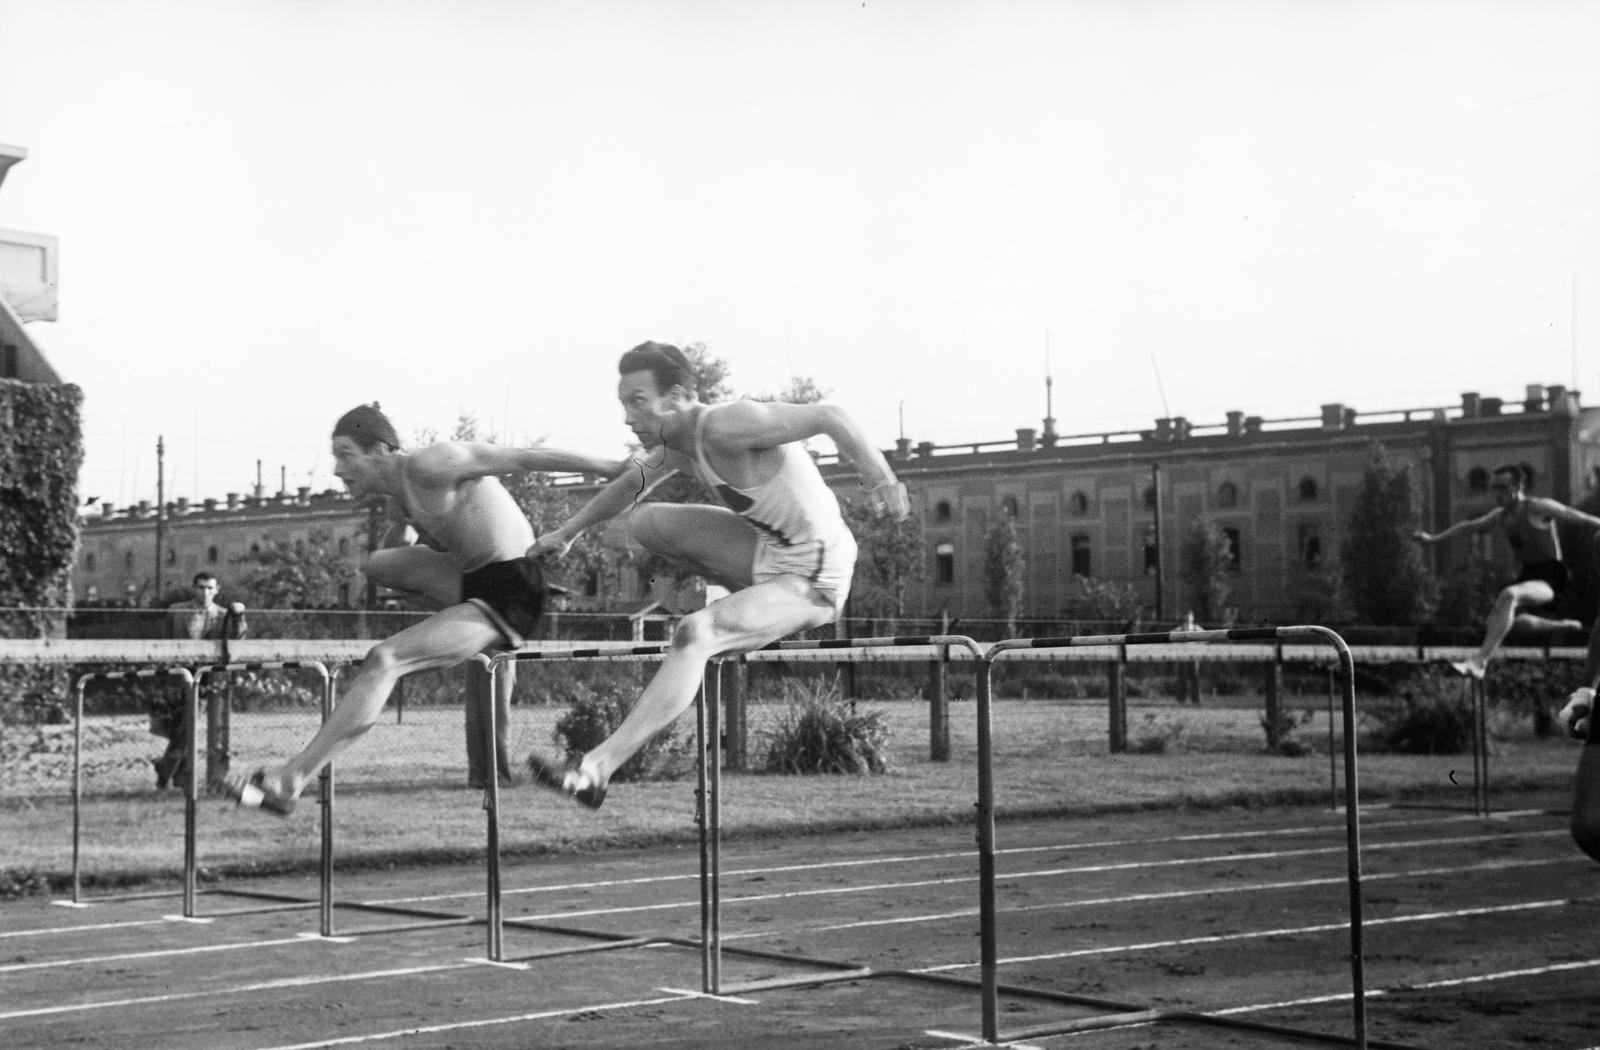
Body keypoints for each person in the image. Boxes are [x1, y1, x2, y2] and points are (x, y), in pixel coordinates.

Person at [524, 341, 909, 809]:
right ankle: (738, 613)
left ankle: (595, 770)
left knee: (695, 633)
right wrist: (568, 532)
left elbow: (832, 416)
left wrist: (882, 481)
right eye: (623, 403)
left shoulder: (729, 424)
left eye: (638, 402)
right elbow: (629, 485)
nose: (628, 417)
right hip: (769, 555)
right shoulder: (677, 447)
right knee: (644, 522)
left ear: (680, 394)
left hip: (816, 574)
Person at [223, 403, 625, 817]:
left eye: (345, 455)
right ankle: (450, 622)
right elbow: (400, 545)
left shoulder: (432, 464)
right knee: (378, 564)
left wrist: (610, 467)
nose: (338, 470)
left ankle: (290, 781)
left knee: (383, 660)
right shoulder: (399, 497)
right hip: (473, 578)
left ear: (380, 451)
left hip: (513, 588)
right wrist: (415, 537)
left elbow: (524, 458)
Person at [1413, 464, 1600, 679]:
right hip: (1529, 575)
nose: (1496, 493)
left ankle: (1478, 663)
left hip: (1552, 577)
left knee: (1510, 595)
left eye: (1502, 487)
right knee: (1502, 623)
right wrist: (1432, 539)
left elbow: (1578, 517)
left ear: (1518, 486)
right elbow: (1469, 527)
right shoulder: (1501, 516)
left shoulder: (1538, 507)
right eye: (1493, 487)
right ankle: (1561, 625)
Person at [152, 572, 246, 789]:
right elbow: (164, 642)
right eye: (201, 587)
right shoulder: (176, 611)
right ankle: (179, 776)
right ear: (194, 589)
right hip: (179, 676)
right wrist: (164, 675)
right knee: (182, 726)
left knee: (188, 725)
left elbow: (238, 637)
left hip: (208, 678)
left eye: (209, 588)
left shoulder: (223, 614)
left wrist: (240, 615)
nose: (205, 592)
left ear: (216, 590)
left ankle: (166, 770)